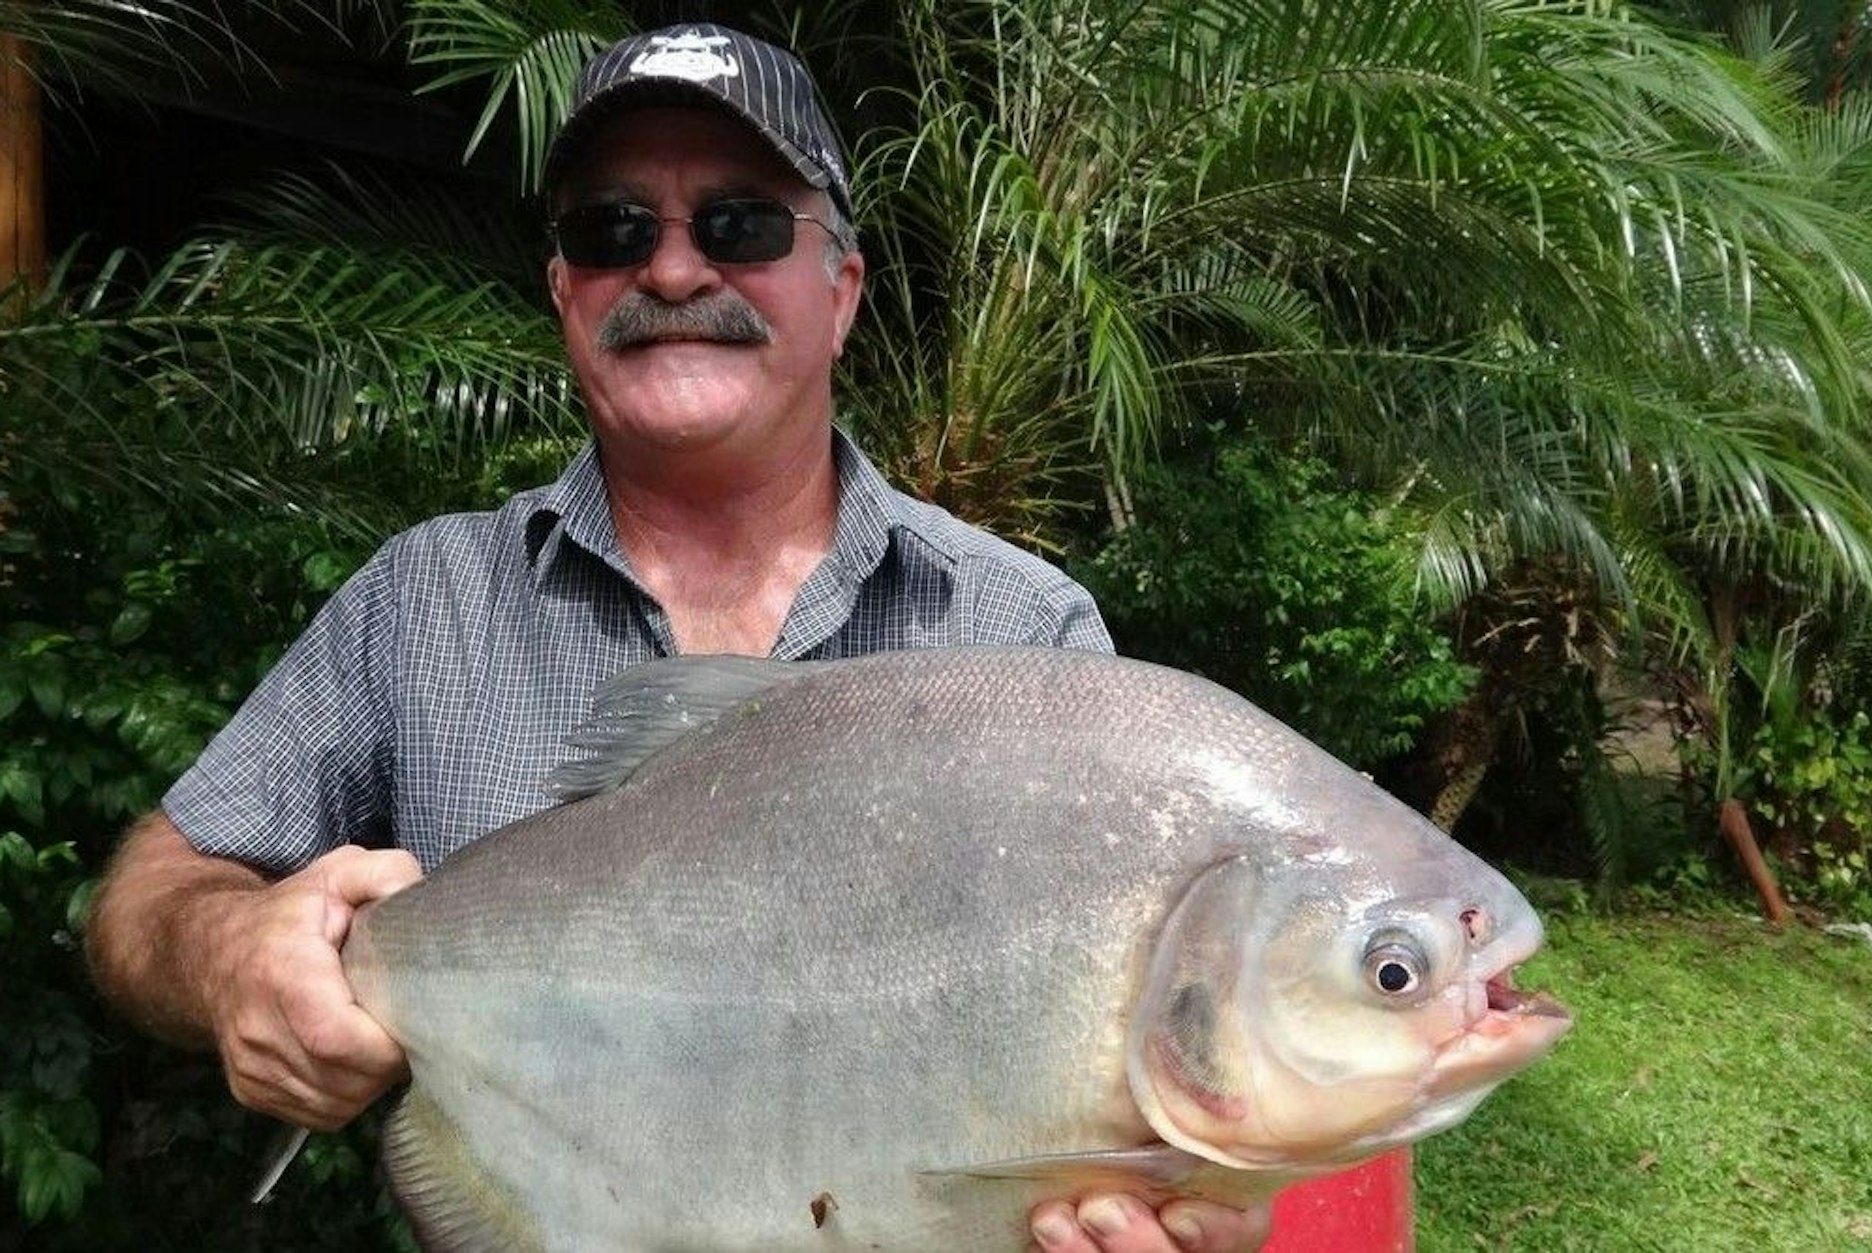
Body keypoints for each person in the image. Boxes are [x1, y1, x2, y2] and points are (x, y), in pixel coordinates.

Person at [85, 22, 1270, 1253]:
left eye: (739, 224)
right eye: (612, 231)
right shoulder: (421, 599)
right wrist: (233, 954)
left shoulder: (1020, 634)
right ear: (563, 294)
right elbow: (148, 888)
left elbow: (1149, 1083)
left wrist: (1178, 1208)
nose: (669, 272)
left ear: (840, 291)